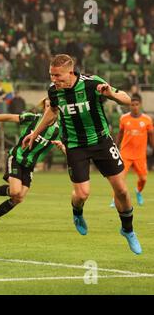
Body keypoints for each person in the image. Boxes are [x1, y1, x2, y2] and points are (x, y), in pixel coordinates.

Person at [22, 54, 142, 255]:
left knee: (121, 189)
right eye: (51, 75)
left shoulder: (92, 83)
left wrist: (110, 94)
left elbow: (127, 100)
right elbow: (52, 112)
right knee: (82, 193)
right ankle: (77, 213)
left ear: (71, 72)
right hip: (75, 145)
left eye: (58, 75)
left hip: (101, 141)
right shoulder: (54, 91)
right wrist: (35, 133)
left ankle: (128, 230)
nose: (54, 79)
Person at [0, 98, 64, 227]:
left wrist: (63, 147)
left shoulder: (58, 130)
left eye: (51, 106)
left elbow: (67, 147)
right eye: (46, 106)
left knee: (19, 197)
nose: (49, 109)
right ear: (44, 108)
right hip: (16, 158)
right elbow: (10, 117)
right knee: (15, 191)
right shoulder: (33, 118)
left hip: (29, 165)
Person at [112, 94, 154, 207]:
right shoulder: (124, 118)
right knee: (119, 178)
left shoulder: (147, 119)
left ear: (140, 104)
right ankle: (115, 199)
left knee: (143, 178)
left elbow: (151, 136)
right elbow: (120, 134)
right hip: (125, 153)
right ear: (129, 105)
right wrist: (115, 146)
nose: (134, 107)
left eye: (136, 104)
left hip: (140, 154)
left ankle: (138, 191)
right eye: (132, 104)